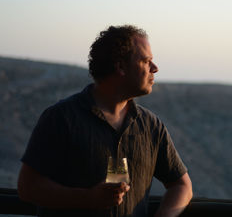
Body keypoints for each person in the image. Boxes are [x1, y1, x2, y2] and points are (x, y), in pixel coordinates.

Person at [17, 25, 193, 217]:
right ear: (120, 67)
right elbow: (28, 187)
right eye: (146, 61)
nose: (155, 68)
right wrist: (88, 199)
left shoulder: (151, 126)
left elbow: (182, 185)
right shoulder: (61, 118)